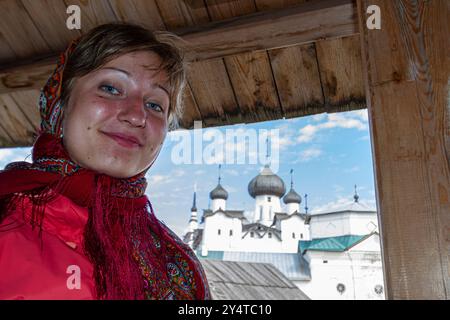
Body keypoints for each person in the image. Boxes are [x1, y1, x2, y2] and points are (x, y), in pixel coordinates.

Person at [0, 23, 211, 300]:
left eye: (155, 105)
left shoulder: (176, 264)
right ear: (60, 107)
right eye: (111, 88)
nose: (137, 115)